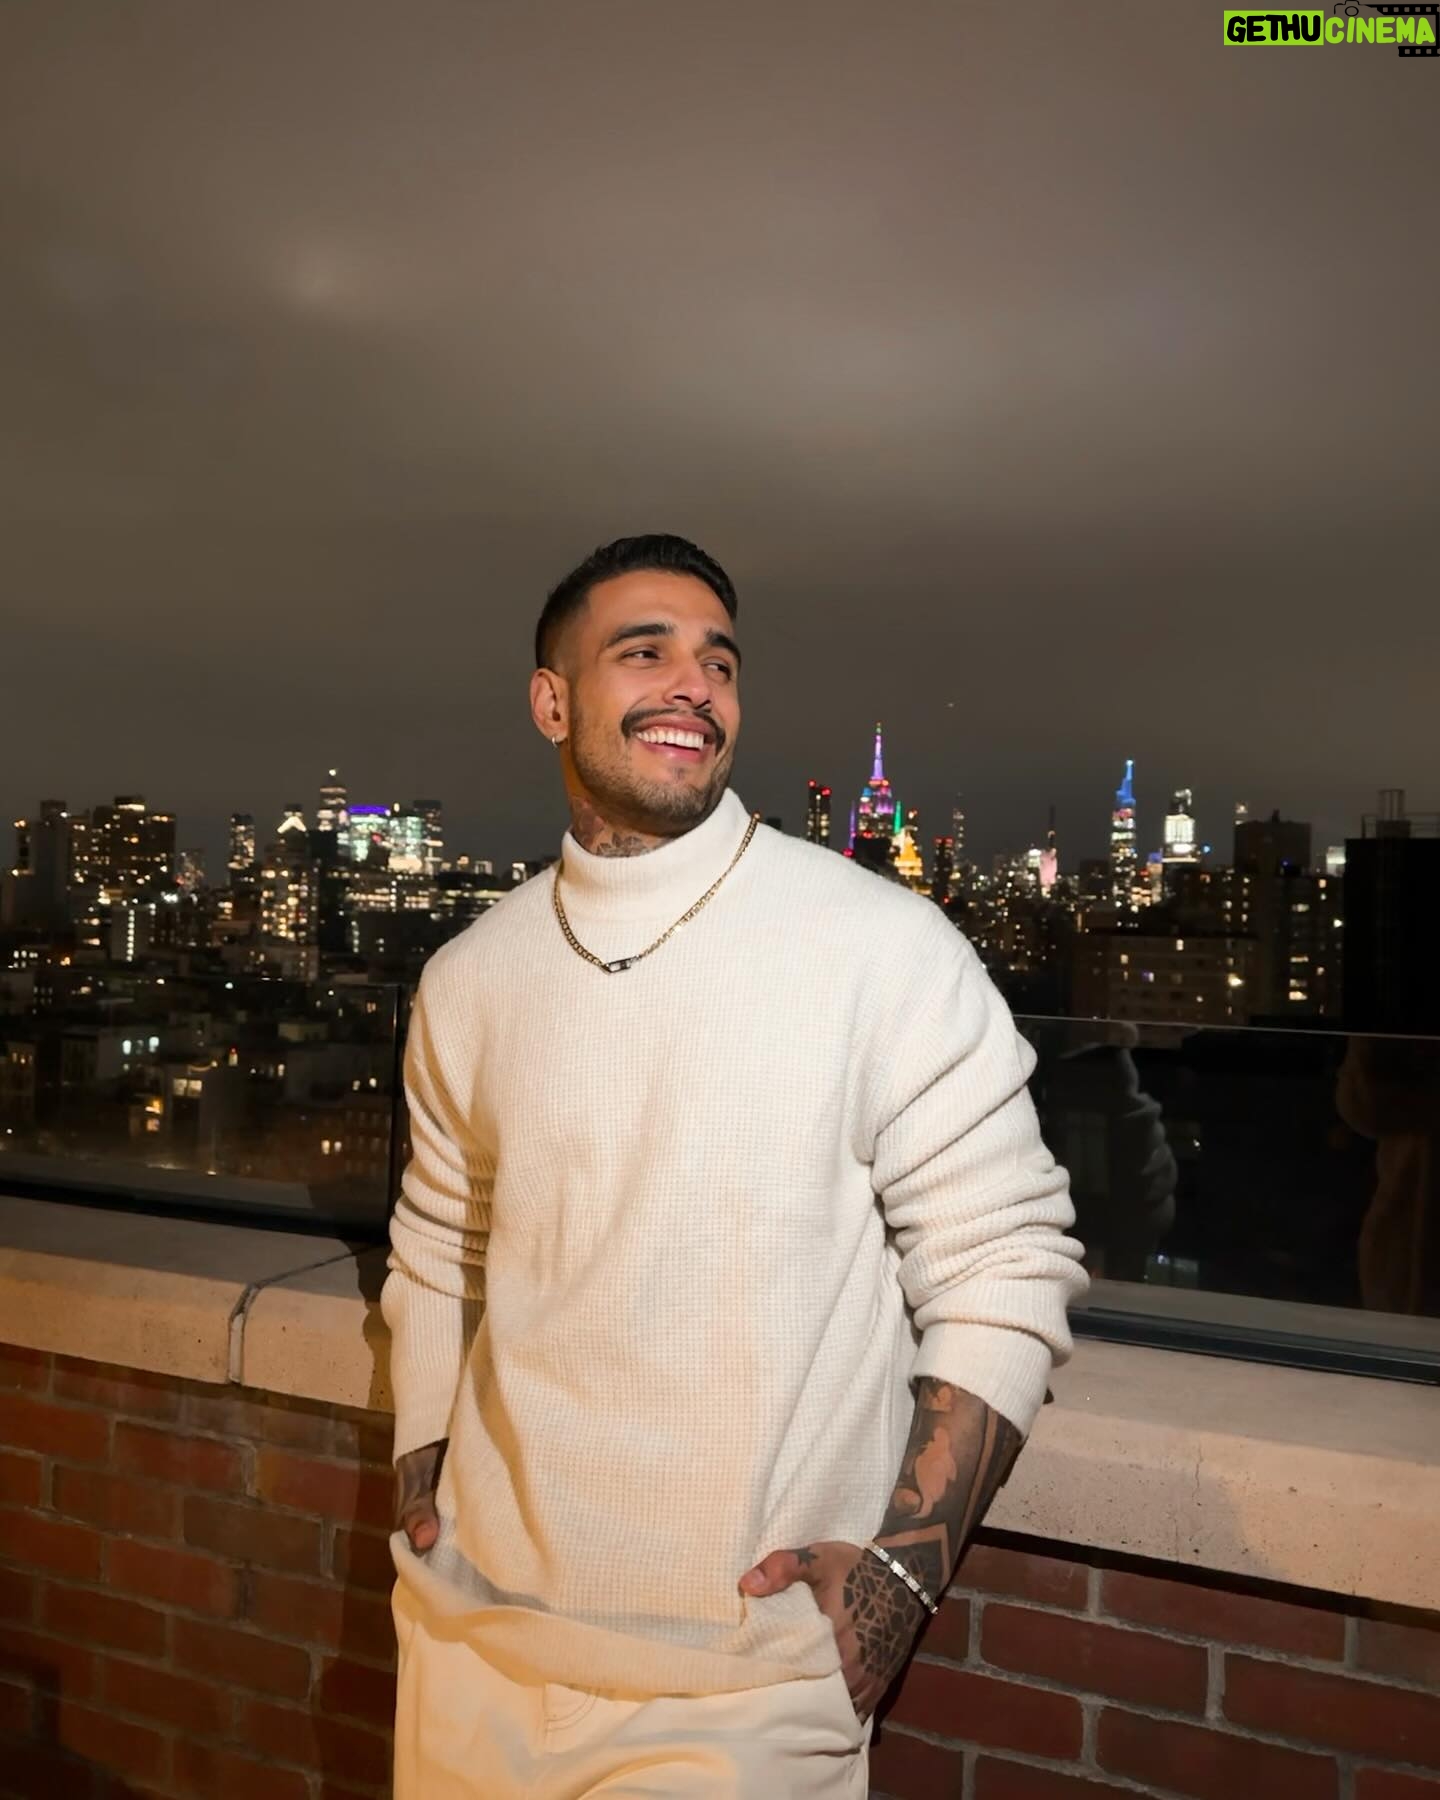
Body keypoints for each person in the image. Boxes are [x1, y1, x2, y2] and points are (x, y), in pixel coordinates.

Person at [382, 534, 1088, 1798]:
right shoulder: (470, 977)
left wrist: (897, 1582)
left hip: (740, 1693)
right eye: (642, 651)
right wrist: (422, 1470)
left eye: (719, 661)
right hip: (468, 1655)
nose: (693, 684)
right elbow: (441, 1248)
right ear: (551, 701)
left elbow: (1005, 1261)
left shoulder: (880, 946)